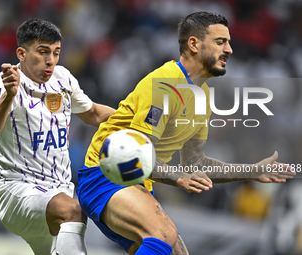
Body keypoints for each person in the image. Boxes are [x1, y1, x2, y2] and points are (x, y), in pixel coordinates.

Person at [76, 11, 296, 255]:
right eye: (220, 41)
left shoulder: (202, 97)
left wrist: (252, 171)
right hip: (106, 175)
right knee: (163, 235)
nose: (229, 50)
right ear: (193, 44)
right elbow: (134, 156)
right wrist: (178, 178)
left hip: (136, 184)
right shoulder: (165, 83)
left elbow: (195, 163)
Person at [0, 18, 114, 255]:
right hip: (18, 191)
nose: (50, 60)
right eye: (42, 52)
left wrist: (138, 121)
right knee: (73, 210)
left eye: (56, 52)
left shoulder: (63, 78)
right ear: (21, 53)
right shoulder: (5, 81)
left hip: (58, 191)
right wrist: (8, 97)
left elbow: (92, 113)